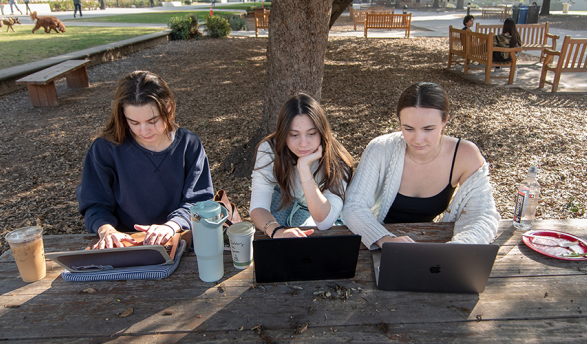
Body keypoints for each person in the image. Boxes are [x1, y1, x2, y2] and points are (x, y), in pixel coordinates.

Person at [342, 82, 500, 250]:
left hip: (430, 244)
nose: (418, 139)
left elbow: (483, 215)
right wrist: (384, 239)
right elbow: (353, 206)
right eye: (408, 128)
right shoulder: (380, 148)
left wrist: (457, 249)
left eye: (428, 129)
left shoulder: (465, 154)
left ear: (445, 120)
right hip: (372, 240)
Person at [76, 71, 214, 249]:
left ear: (169, 108)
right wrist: (106, 230)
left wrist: (172, 226)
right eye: (134, 123)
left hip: (178, 240)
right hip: (124, 244)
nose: (144, 131)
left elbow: (199, 201)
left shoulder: (189, 144)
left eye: (153, 120)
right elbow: (95, 203)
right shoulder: (105, 148)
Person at [250, 93, 354, 239]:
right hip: (282, 206)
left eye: (311, 133)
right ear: (283, 134)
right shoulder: (269, 150)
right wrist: (276, 232)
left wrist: (304, 169)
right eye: (294, 135)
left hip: (319, 215)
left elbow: (324, 222)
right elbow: (258, 207)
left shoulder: (337, 159)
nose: (303, 144)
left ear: (322, 132)